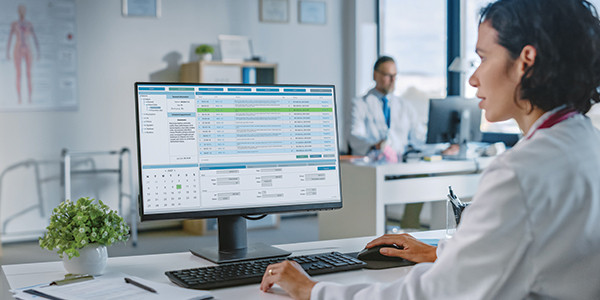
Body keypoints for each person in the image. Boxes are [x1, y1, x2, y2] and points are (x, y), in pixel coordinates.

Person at [260, 0, 600, 298]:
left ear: (526, 60)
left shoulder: (519, 174)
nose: (473, 78)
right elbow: (533, 249)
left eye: (482, 58)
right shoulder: (585, 142)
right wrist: (444, 251)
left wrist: (314, 291)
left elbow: (429, 294)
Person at [348, 56, 424, 162]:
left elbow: (419, 137)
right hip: (371, 166)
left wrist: (441, 147)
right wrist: (375, 146)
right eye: (388, 75)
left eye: (395, 76)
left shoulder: (405, 106)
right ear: (375, 75)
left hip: (400, 166)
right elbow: (354, 138)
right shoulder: (360, 104)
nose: (393, 80)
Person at [6, 4, 40, 104]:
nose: (22, 12)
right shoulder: (14, 24)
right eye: (20, 10)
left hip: (28, 48)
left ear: (25, 11)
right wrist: (7, 52)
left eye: (23, 10)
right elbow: (9, 38)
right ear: (18, 11)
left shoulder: (29, 24)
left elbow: (34, 37)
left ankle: (30, 98)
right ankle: (19, 98)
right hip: (18, 48)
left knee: (29, 74)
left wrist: (38, 51)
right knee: (18, 74)